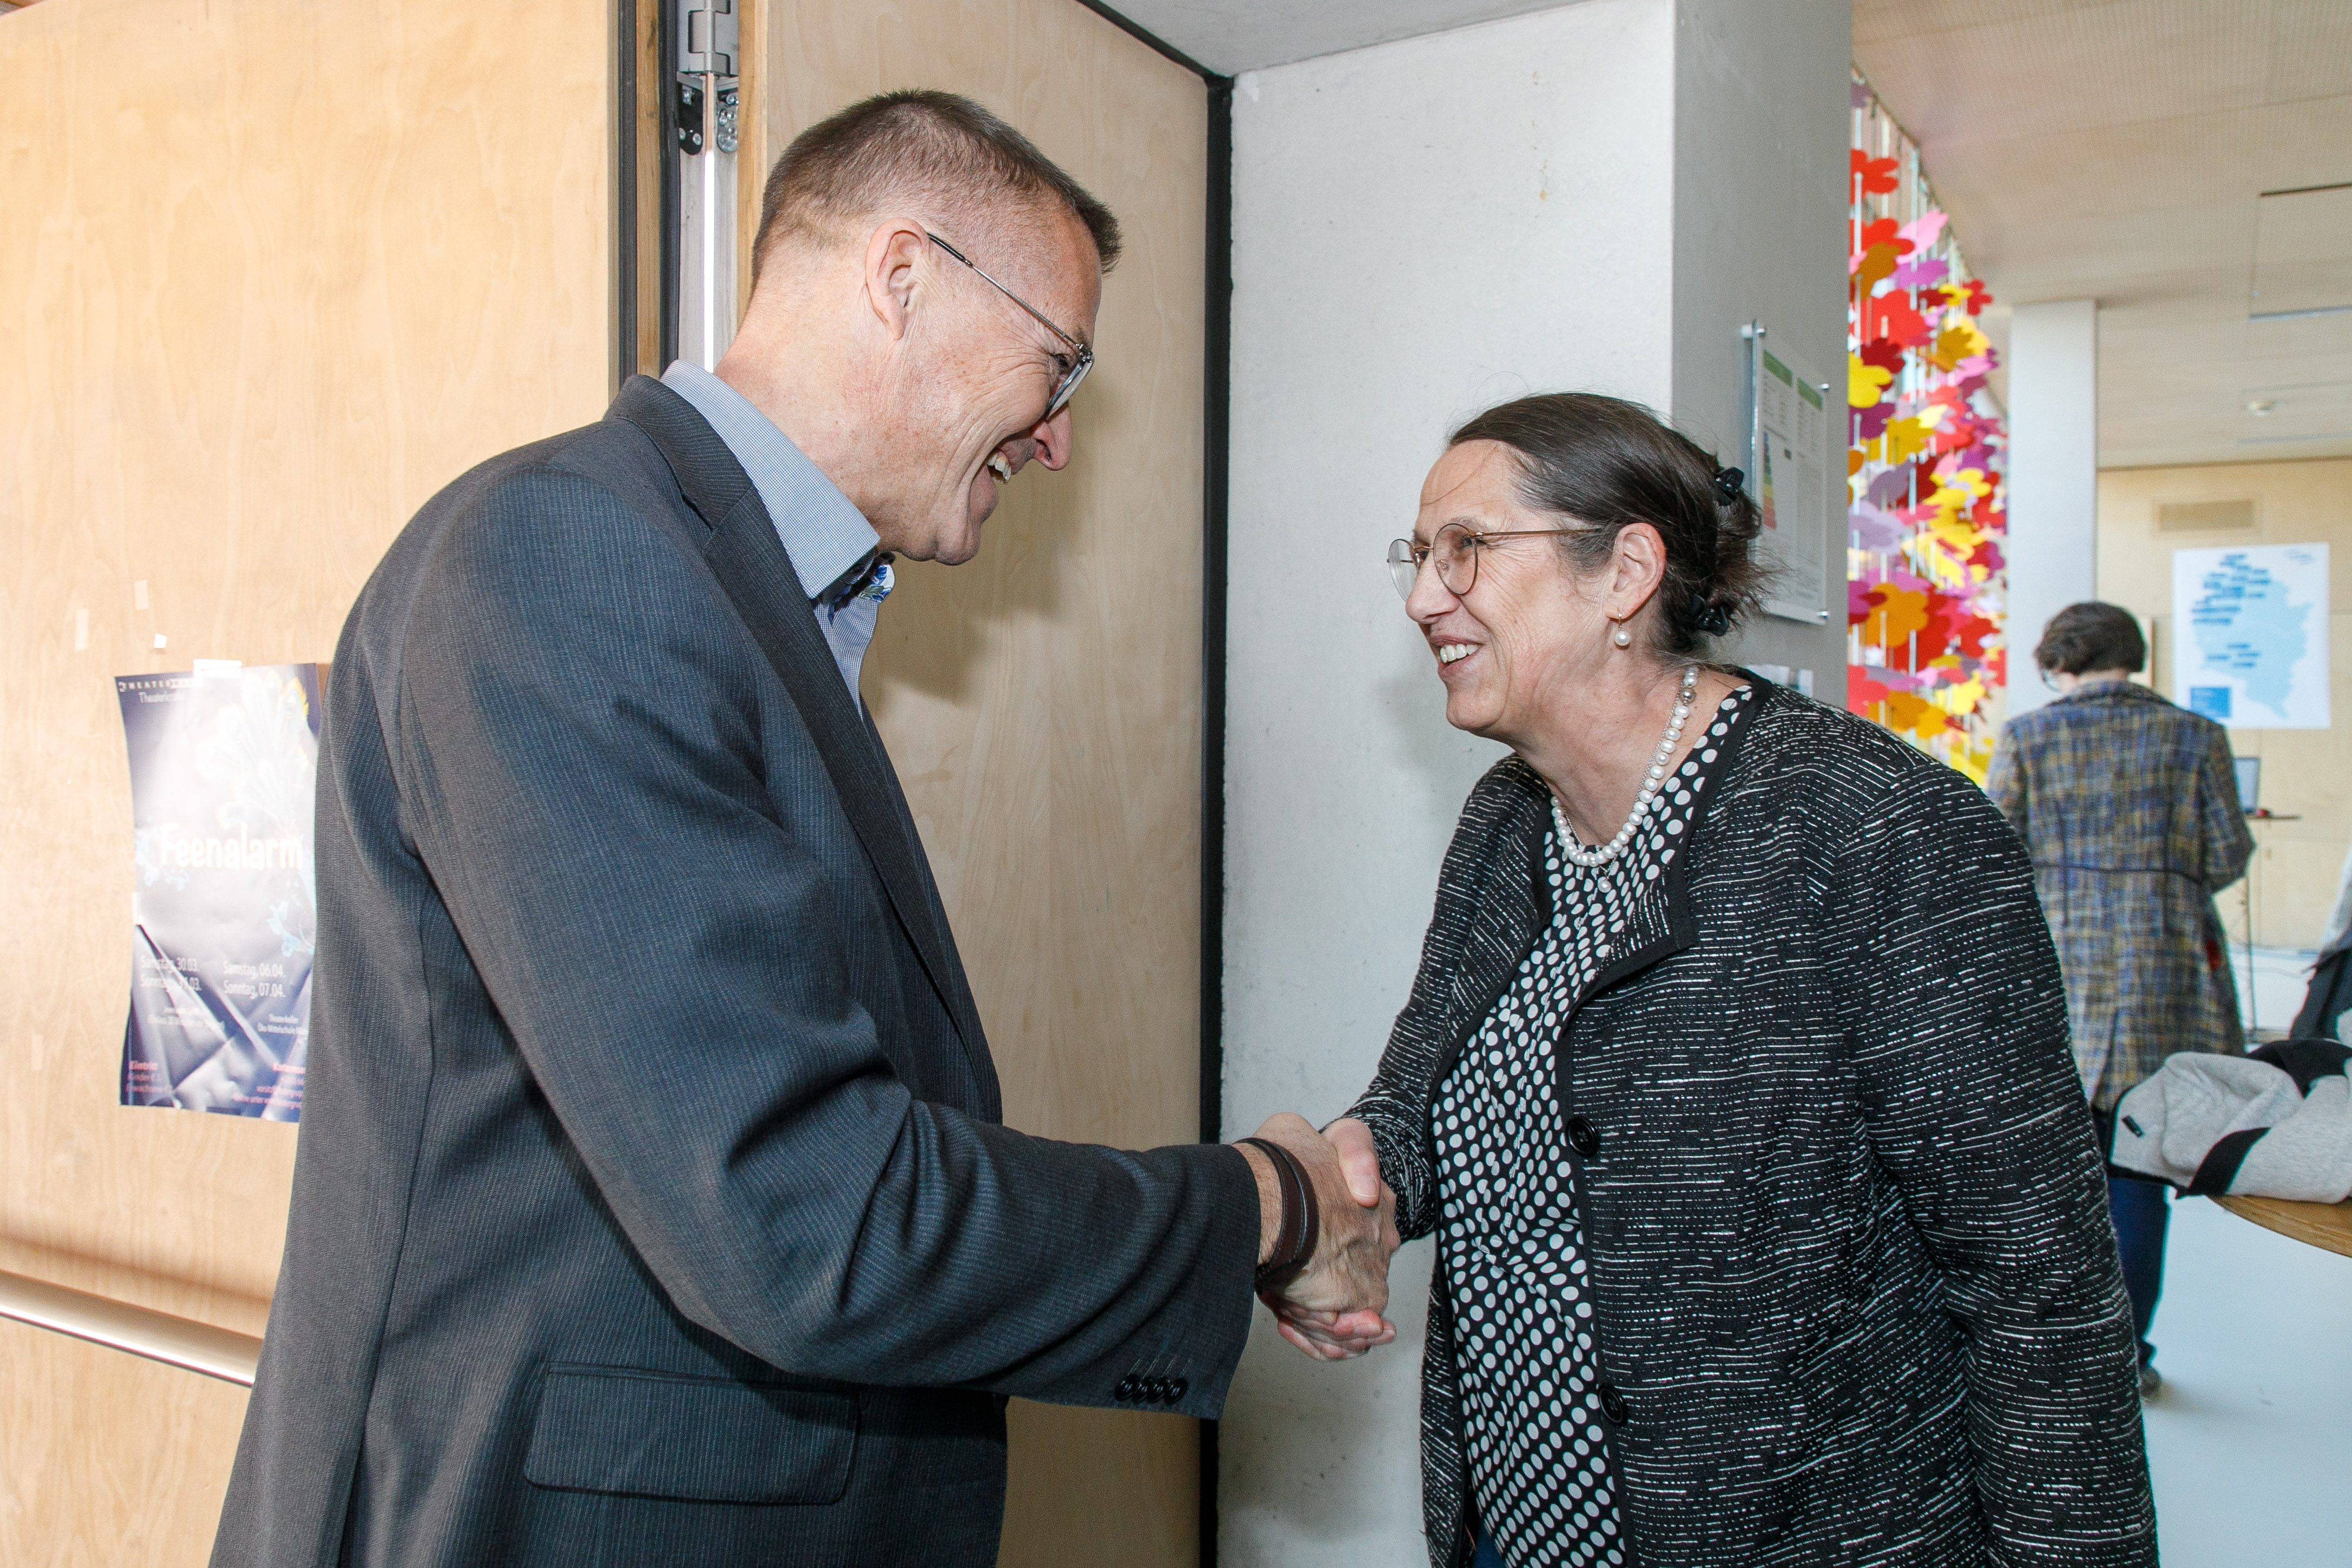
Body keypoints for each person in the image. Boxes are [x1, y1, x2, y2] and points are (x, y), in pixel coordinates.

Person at [210, 91, 1397, 1568]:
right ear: (901, 279)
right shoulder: (571, 555)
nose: (1058, 439)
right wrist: (1266, 1205)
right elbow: (807, 1217)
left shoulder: (731, 591)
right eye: (1059, 364)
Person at [1260, 394, 2154, 1567]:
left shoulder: (1880, 831)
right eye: (1419, 555)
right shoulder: (1505, 822)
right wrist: (1330, 1186)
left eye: (1467, 547)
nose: (1425, 596)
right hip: (1517, 1525)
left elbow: (2039, 1287)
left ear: (1626, 572)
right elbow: (1427, 1105)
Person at [1986, 600, 2252, 1397]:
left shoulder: (2029, 736)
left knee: (2050, 1166)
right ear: (2132, 655)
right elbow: (2227, 853)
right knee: (2137, 1163)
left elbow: (1997, 851)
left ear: (2058, 660)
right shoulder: (2196, 736)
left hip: (2056, 963)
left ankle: (2052, 1345)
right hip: (2165, 970)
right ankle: (2127, 1355)